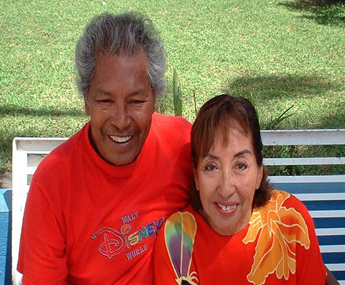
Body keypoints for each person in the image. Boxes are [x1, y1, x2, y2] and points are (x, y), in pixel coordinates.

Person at [17, 11, 193, 284]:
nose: (121, 121)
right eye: (105, 101)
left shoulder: (182, 144)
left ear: (155, 98)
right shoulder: (52, 184)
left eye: (136, 101)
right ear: (87, 100)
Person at [154, 94, 332, 284]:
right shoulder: (178, 241)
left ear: (259, 171)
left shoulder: (290, 221)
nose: (225, 188)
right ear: (196, 176)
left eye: (240, 165)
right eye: (211, 166)